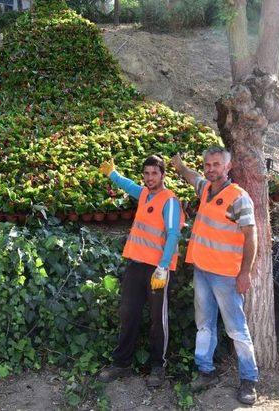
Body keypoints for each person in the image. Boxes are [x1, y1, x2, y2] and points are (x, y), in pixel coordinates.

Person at [171, 147, 259, 405]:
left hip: (226, 276)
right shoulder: (206, 189)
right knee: (204, 324)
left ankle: (249, 379)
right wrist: (179, 165)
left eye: (216, 164)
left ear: (227, 167)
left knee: (236, 328)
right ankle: (205, 370)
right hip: (202, 271)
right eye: (207, 165)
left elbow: (250, 236)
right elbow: (191, 176)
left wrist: (245, 273)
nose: (210, 169)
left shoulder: (239, 198)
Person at [97, 155, 184, 388]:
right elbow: (129, 186)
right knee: (128, 314)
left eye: (154, 173)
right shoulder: (145, 193)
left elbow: (174, 235)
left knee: (158, 320)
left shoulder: (171, 201)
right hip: (136, 265)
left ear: (163, 175)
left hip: (158, 270)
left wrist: (163, 267)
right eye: (146, 174)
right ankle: (121, 363)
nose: (149, 178)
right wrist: (112, 174)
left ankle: (158, 366)